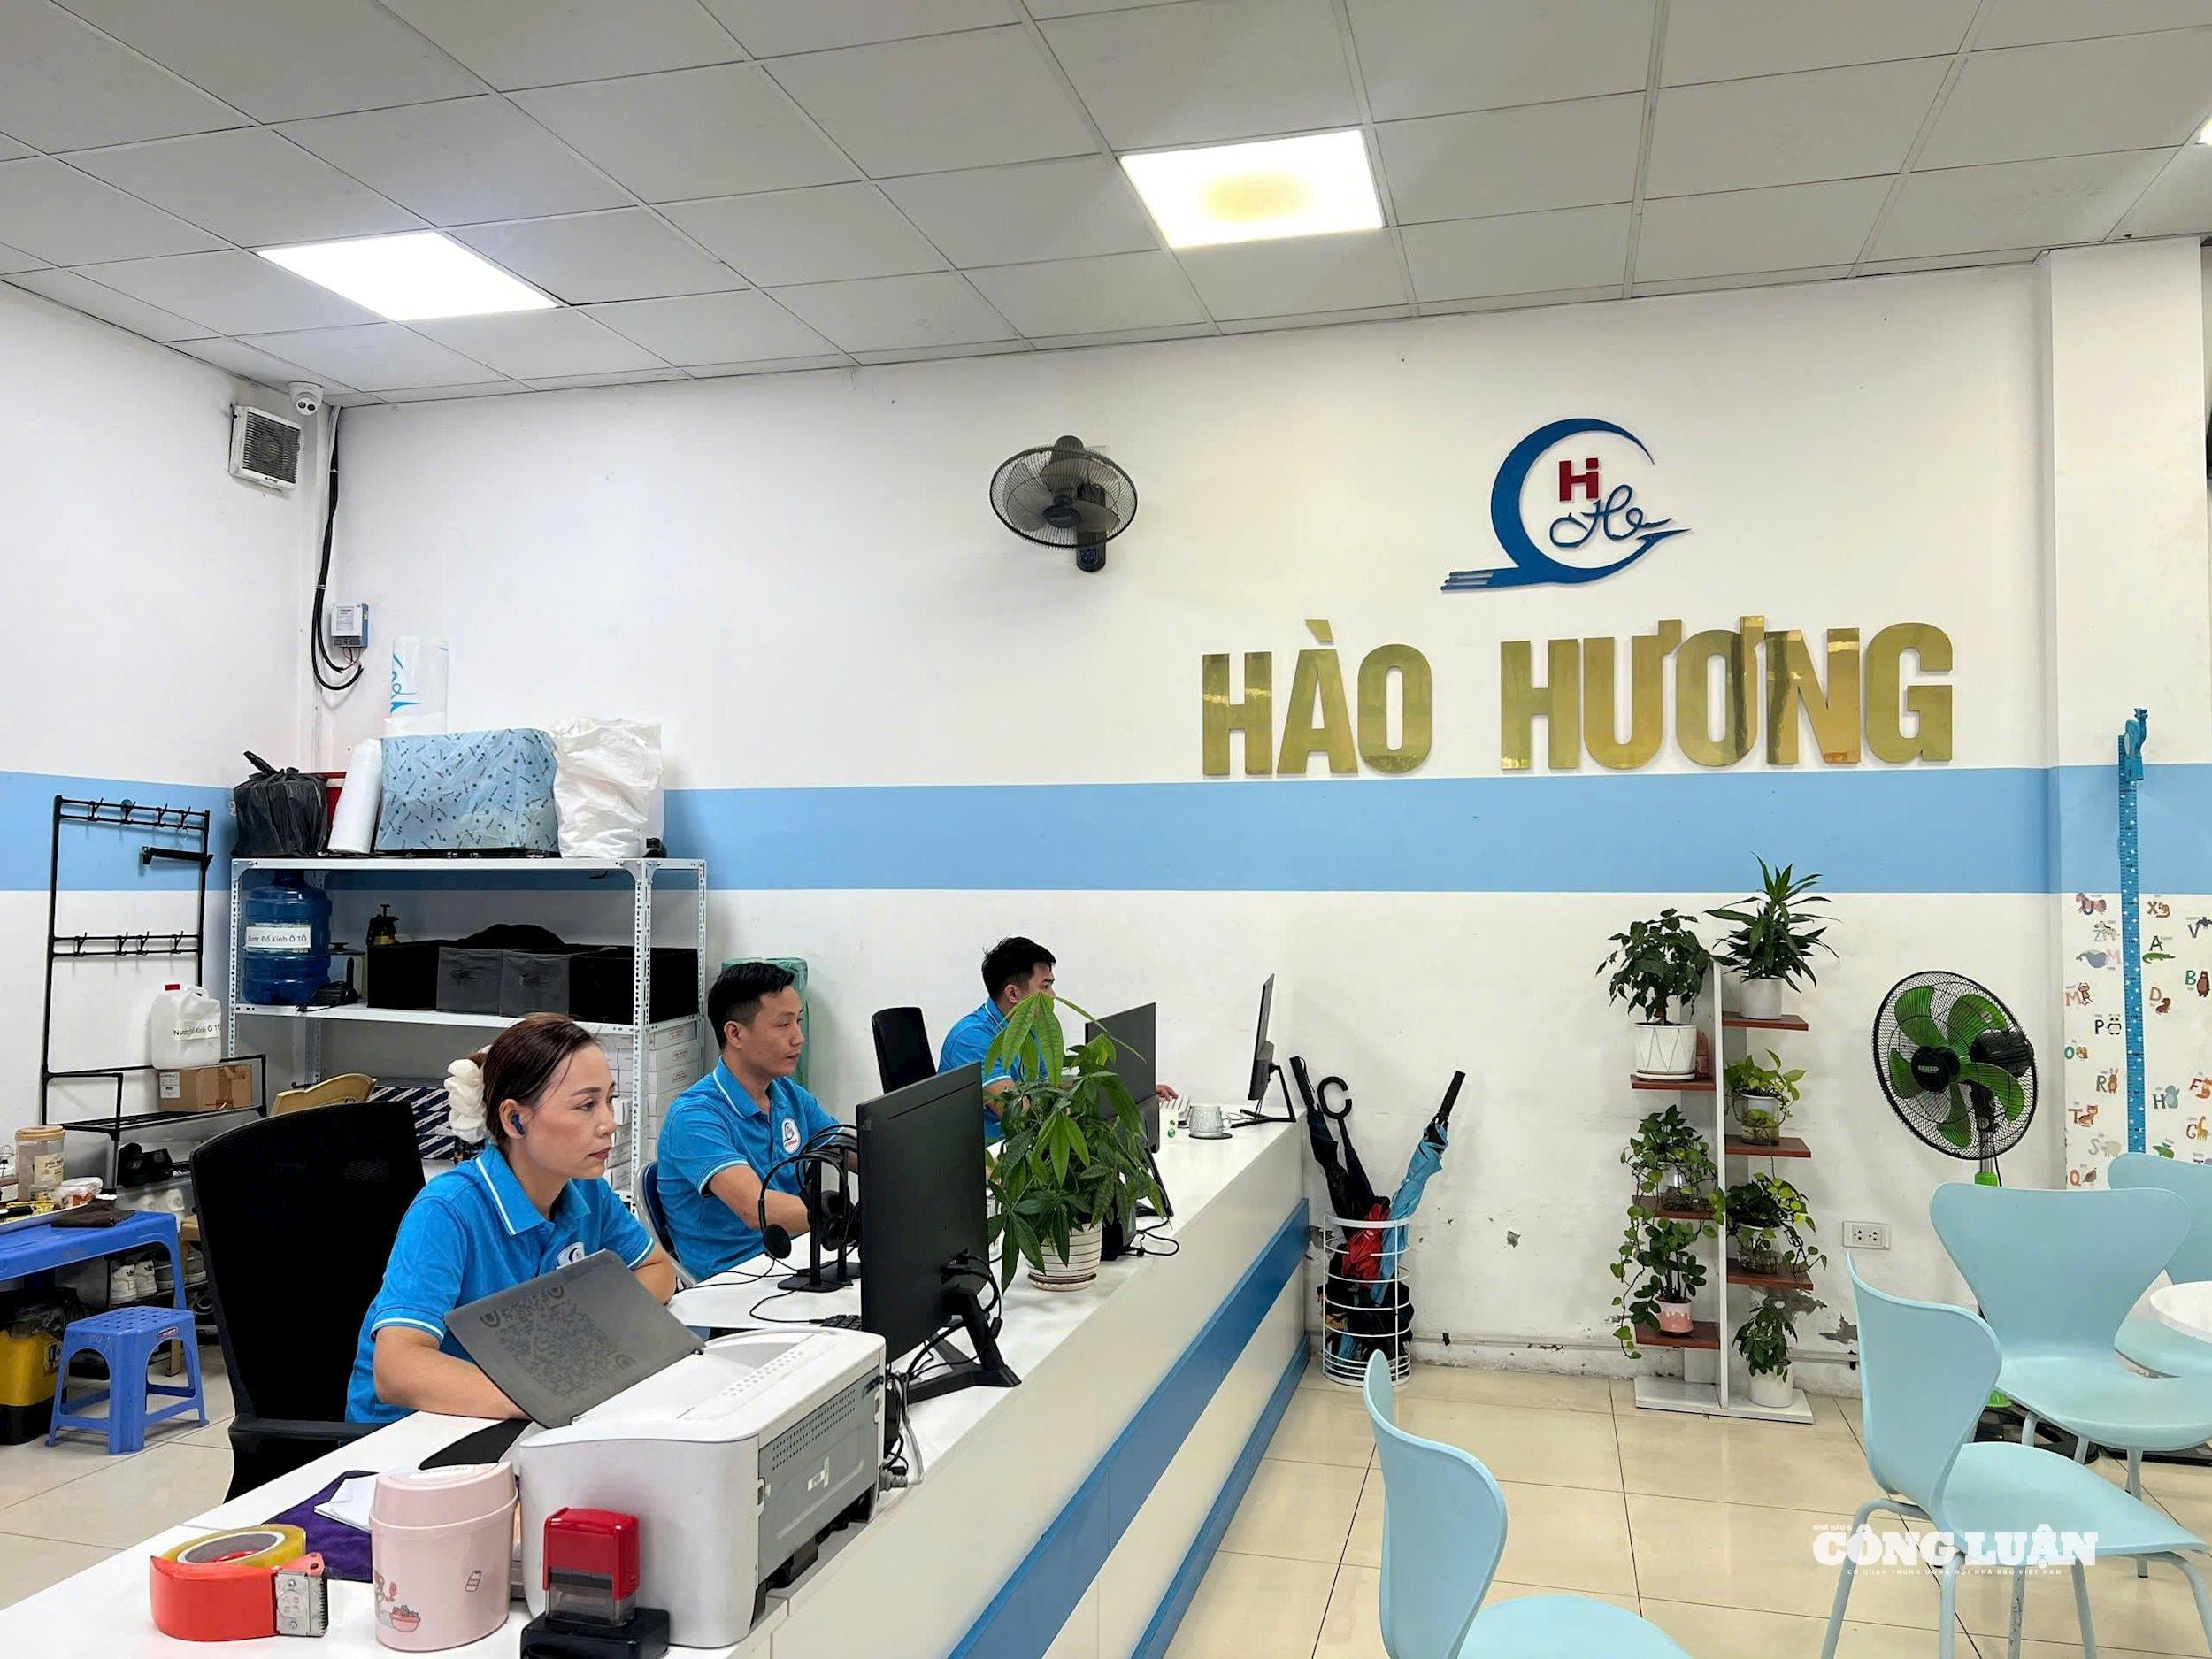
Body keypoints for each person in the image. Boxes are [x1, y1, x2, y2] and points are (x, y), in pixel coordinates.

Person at [347, 1014, 675, 1425]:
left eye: (609, 1099)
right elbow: (397, 1371)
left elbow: (658, 1270)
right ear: (515, 1119)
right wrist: (546, 1392)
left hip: (515, 1415)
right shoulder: (448, 1211)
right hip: (414, 1434)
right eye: (586, 1105)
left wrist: (580, 1325)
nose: (610, 1123)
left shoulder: (584, 1188)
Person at [655, 962, 841, 1280]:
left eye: (798, 1021)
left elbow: (846, 1146)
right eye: (783, 1025)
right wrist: (842, 1218)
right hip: (732, 1283)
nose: (798, 1038)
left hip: (794, 1263)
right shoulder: (694, 1117)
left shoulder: (787, 1094)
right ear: (736, 1034)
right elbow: (756, 1206)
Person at [938, 936, 1177, 1141]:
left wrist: (1122, 1091)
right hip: (985, 1159)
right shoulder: (971, 1039)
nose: (1053, 996)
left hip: (1024, 1148)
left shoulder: (1031, 1027)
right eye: (1045, 987)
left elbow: (1049, 1086)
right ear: (1013, 993)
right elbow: (1020, 1117)